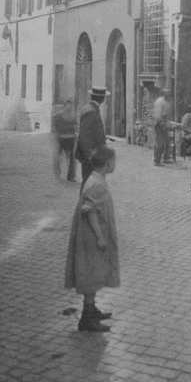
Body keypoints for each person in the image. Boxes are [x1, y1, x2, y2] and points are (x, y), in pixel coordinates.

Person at [65, 146, 119, 332]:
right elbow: (91, 212)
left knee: (93, 270)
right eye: (114, 161)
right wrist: (100, 236)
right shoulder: (97, 185)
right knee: (91, 272)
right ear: (107, 164)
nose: (115, 164)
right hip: (91, 236)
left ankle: (92, 309)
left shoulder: (96, 179)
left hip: (89, 234)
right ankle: (87, 318)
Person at [75, 87, 110, 185]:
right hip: (90, 156)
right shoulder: (91, 110)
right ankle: (84, 200)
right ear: (102, 98)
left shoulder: (91, 108)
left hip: (92, 155)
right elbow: (85, 136)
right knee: (88, 183)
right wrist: (90, 156)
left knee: (90, 183)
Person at [52, 99, 78, 182]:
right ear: (64, 106)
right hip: (61, 139)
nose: (69, 107)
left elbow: (76, 126)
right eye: (67, 105)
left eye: (71, 106)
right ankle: (57, 174)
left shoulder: (74, 116)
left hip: (71, 139)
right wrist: (57, 135)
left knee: (72, 159)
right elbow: (55, 126)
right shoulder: (58, 116)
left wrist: (75, 133)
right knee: (58, 158)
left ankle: (71, 176)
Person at [153, 88, 175, 165]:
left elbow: (168, 112)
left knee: (167, 141)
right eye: (167, 94)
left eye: (169, 94)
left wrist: (167, 122)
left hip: (164, 122)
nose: (169, 95)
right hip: (159, 124)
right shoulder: (159, 102)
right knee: (160, 143)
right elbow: (157, 115)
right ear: (164, 94)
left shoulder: (167, 102)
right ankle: (157, 160)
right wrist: (162, 123)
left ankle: (166, 158)